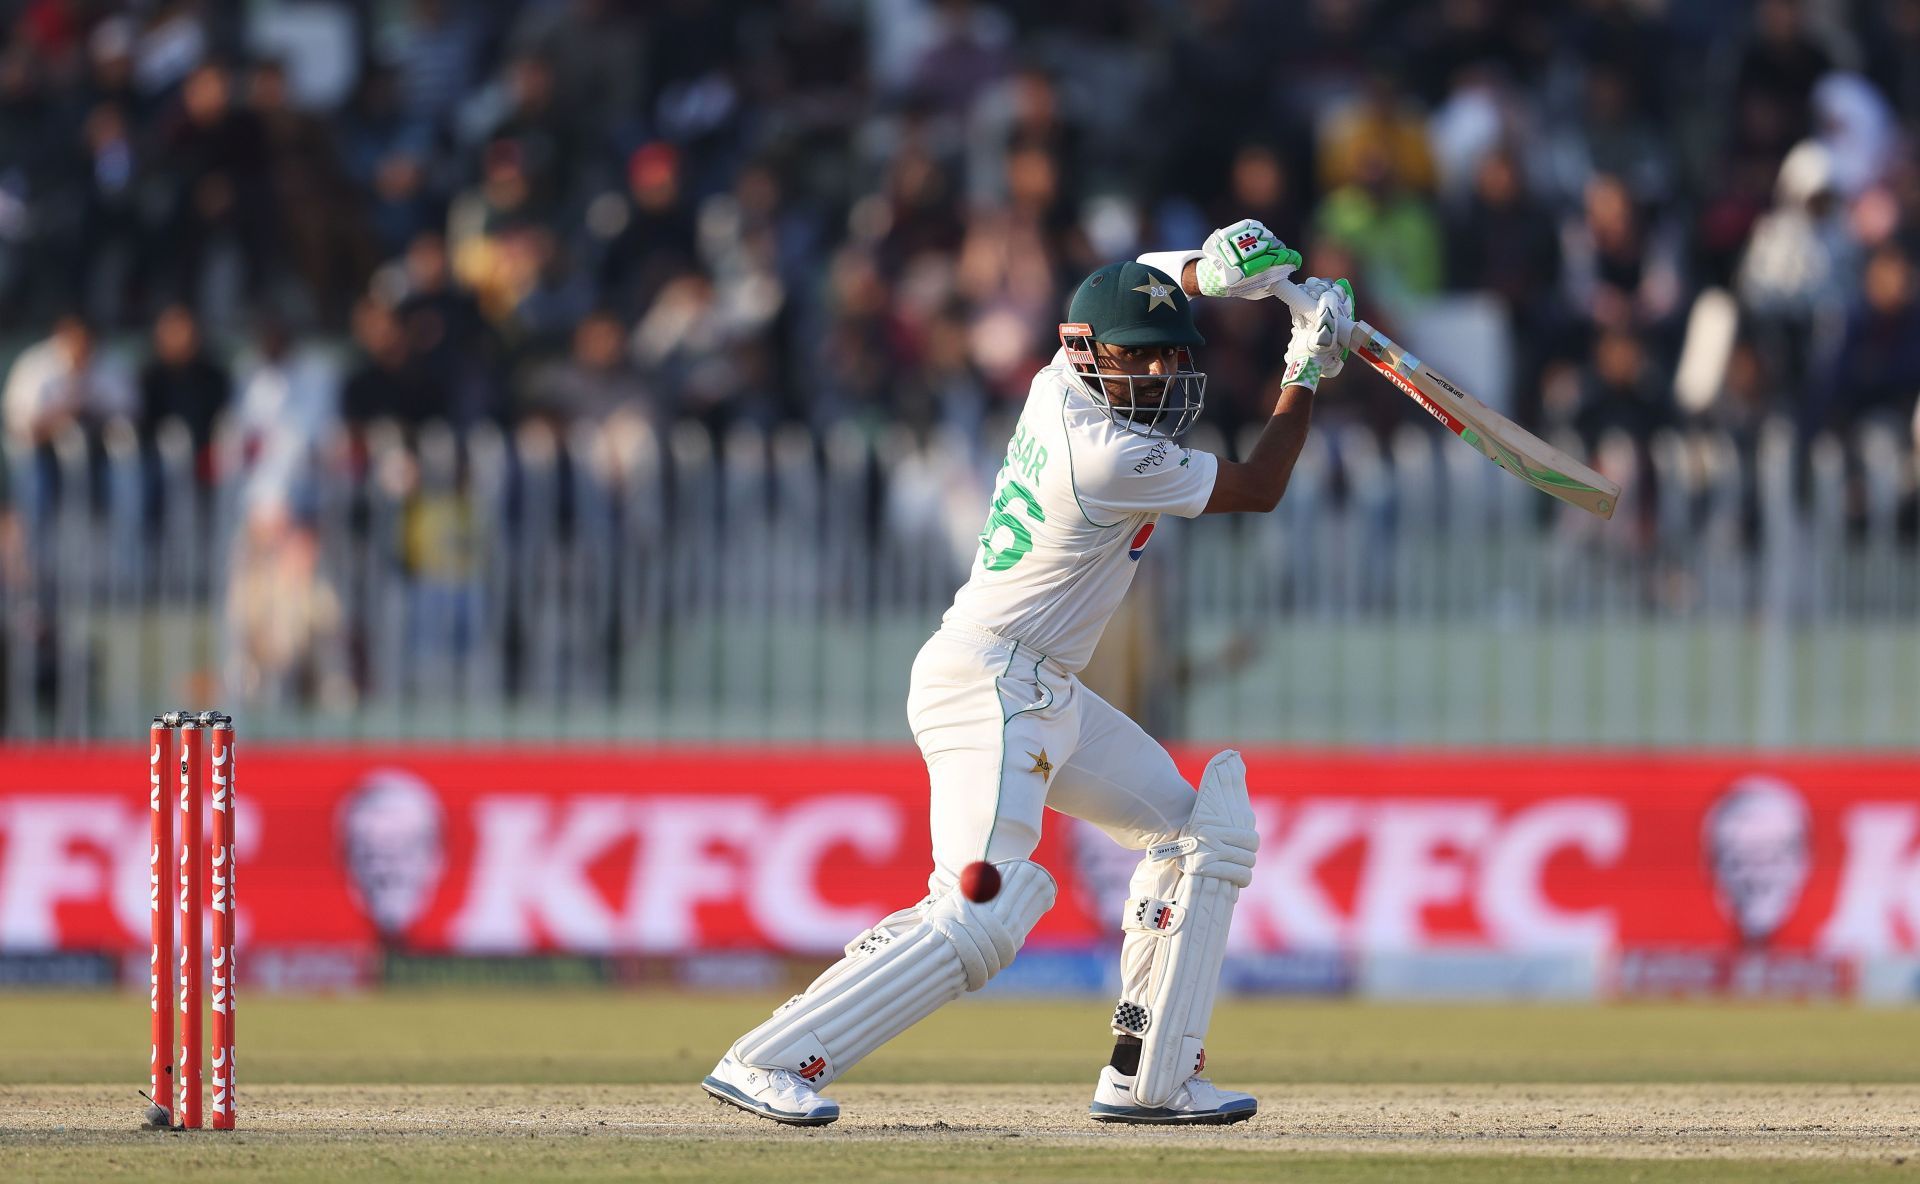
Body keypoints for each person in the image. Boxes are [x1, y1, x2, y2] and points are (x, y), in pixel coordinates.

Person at [702, 219, 1355, 1126]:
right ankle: (770, 1058)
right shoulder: (1109, 456)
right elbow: (1261, 486)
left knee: (1197, 834)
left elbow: (1130, 280)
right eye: (1143, 361)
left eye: (1171, 358)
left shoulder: (1059, 382)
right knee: (982, 907)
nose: (1162, 377)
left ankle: (1150, 1076)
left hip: (1046, 689)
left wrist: (1217, 272)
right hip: (992, 682)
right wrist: (1305, 369)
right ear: (1085, 353)